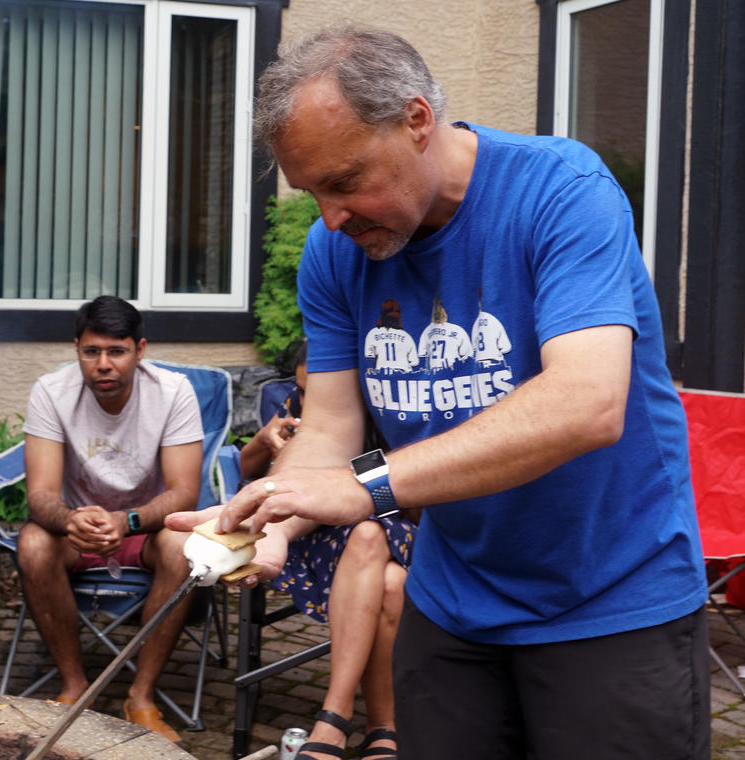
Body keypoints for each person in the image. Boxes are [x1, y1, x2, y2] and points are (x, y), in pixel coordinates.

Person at [172, 27, 709, 760]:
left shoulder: (560, 191)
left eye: (345, 181)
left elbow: (587, 403)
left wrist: (367, 487)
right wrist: (273, 518)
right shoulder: (335, 253)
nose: (330, 218)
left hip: (611, 599)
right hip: (454, 600)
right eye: (314, 192)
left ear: (417, 121)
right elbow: (328, 427)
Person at [18, 295, 203, 744]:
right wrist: (71, 521)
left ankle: (141, 696)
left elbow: (184, 492)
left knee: (183, 546)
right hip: (76, 529)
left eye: (116, 351)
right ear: (76, 349)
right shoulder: (51, 391)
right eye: (91, 351)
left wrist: (127, 521)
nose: (103, 364)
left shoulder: (172, 392)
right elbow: (40, 494)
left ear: (140, 350)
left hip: (146, 528)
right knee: (33, 543)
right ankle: (75, 687)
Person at [235, 340, 413, 760]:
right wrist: (265, 441)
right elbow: (244, 468)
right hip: (310, 535)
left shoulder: (391, 412)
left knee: (372, 541)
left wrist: (344, 477)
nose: (308, 400)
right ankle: (381, 727)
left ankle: (335, 716)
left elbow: (401, 498)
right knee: (391, 582)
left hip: (391, 523)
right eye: (302, 389)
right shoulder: (296, 406)